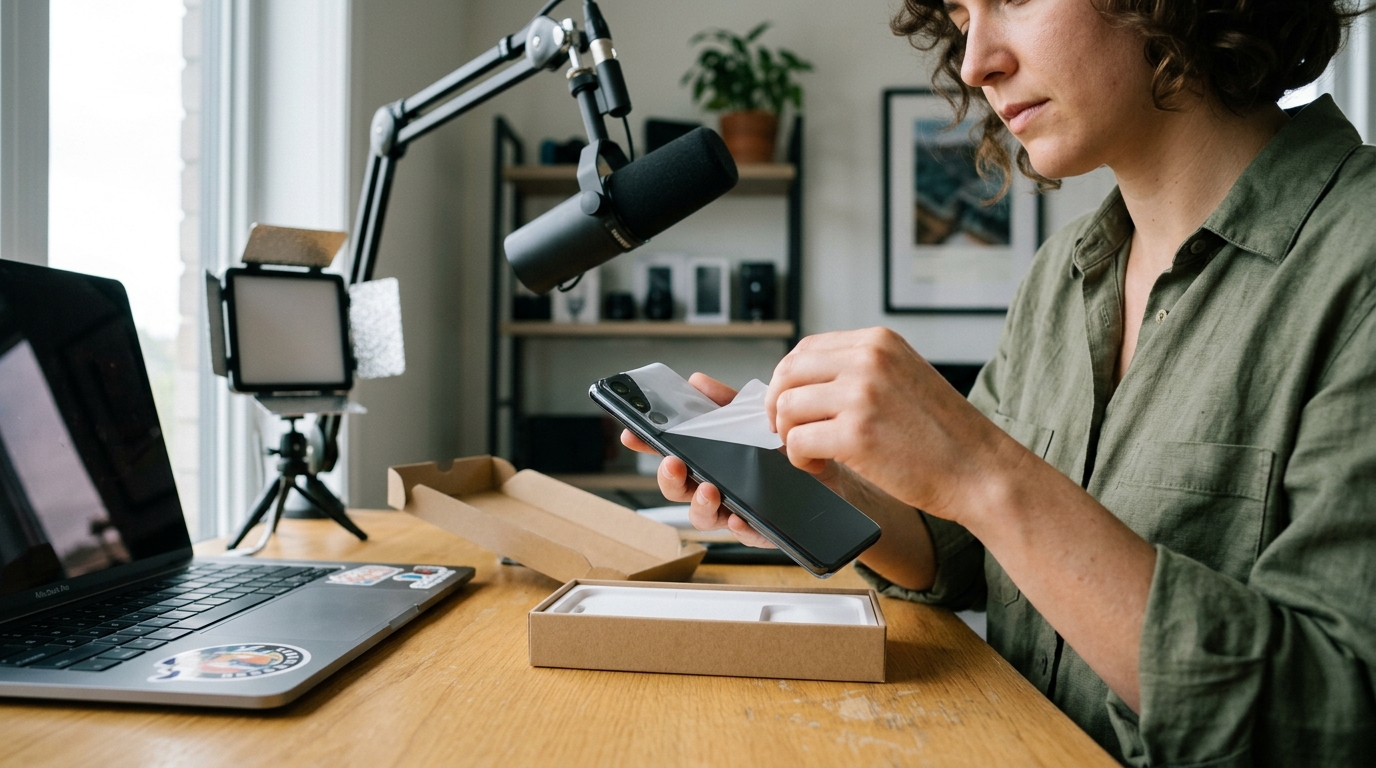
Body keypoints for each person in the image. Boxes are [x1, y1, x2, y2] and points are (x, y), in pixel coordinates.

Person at [623, 0, 1376, 764]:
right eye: (960, 13)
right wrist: (830, 491)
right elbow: (964, 551)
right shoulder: (1064, 272)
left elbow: (1330, 712)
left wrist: (979, 467)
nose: (976, 61)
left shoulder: (1359, 263)